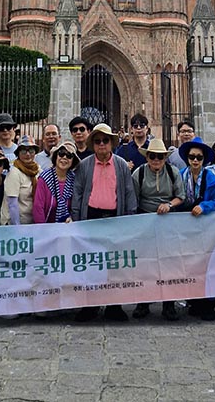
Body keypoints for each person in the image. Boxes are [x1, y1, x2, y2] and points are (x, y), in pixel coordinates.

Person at [71, 122, 137, 322]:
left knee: (113, 265)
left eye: (105, 140)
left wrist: (128, 219)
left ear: (111, 143)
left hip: (114, 219)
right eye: (98, 141)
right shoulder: (85, 165)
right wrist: (77, 220)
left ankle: (113, 306)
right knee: (91, 263)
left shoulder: (121, 165)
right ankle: (89, 306)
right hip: (91, 216)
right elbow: (78, 193)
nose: (101, 144)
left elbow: (128, 192)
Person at [132, 138, 185, 321]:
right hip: (146, 221)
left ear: (165, 158)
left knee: (168, 263)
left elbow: (181, 196)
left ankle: (168, 304)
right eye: (153, 156)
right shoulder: (138, 174)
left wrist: (169, 204)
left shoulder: (173, 172)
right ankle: (143, 302)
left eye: (160, 157)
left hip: (167, 221)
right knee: (146, 263)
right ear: (147, 157)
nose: (156, 160)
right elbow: (134, 198)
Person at [178, 138, 215, 321]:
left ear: (204, 159)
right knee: (190, 264)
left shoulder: (211, 178)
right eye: (192, 157)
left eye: (199, 157)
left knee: (206, 264)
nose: (195, 160)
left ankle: (209, 303)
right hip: (186, 229)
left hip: (206, 229)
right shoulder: (180, 176)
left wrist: (204, 206)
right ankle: (193, 301)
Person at [33, 141, 79, 223]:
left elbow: (76, 205)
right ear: (56, 156)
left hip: (67, 227)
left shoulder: (74, 179)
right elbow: (38, 208)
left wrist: (72, 218)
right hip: (46, 227)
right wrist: (42, 230)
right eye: (61, 154)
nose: (64, 157)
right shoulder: (44, 178)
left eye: (69, 156)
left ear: (73, 161)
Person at [1, 136, 41, 225]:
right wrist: (17, 228)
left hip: (31, 221)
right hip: (15, 222)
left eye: (31, 151)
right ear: (18, 153)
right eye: (23, 151)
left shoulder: (37, 169)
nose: (27, 154)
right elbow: (12, 204)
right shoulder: (14, 172)